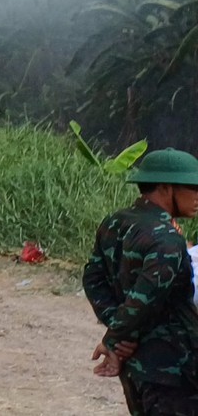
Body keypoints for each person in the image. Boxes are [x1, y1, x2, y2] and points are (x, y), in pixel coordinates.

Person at [83, 148, 198, 414]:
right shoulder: (167, 239)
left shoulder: (116, 222)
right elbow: (145, 297)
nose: (197, 197)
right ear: (166, 187)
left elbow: (93, 279)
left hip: (136, 367)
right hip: (173, 367)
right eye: (192, 188)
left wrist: (118, 333)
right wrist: (116, 337)